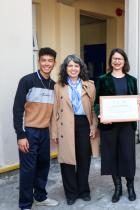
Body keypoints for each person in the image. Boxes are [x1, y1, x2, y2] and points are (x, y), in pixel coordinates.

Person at [13, 47, 59, 210]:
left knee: (43, 165)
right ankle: (25, 204)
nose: (47, 63)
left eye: (50, 60)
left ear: (54, 63)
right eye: (44, 60)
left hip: (44, 132)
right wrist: (21, 135)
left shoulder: (54, 86)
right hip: (29, 132)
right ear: (39, 61)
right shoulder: (27, 80)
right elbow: (17, 109)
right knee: (28, 169)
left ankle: (40, 197)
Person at [51, 54, 98, 205]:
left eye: (76, 66)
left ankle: (83, 190)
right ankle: (71, 193)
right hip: (65, 125)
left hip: (84, 123)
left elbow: (93, 109)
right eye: (70, 65)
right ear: (65, 68)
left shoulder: (89, 85)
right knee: (67, 161)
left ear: (80, 68)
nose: (73, 68)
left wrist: (93, 125)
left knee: (84, 159)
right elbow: (54, 110)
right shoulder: (58, 86)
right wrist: (54, 132)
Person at [94, 48, 139, 202]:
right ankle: (117, 188)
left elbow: (135, 104)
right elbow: (96, 103)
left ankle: (130, 187)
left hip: (127, 126)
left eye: (120, 58)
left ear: (124, 61)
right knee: (112, 156)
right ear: (110, 61)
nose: (117, 61)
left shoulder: (132, 80)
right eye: (114, 58)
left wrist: (137, 104)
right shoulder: (102, 79)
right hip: (109, 125)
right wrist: (101, 115)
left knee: (127, 156)